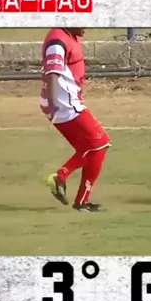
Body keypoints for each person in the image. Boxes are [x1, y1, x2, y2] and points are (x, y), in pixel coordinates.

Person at [40, 28, 110, 212]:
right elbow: (52, 73)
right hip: (65, 105)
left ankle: (81, 201)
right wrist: (54, 104)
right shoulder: (57, 41)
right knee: (99, 143)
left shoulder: (70, 36)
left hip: (69, 103)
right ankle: (61, 176)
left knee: (96, 148)